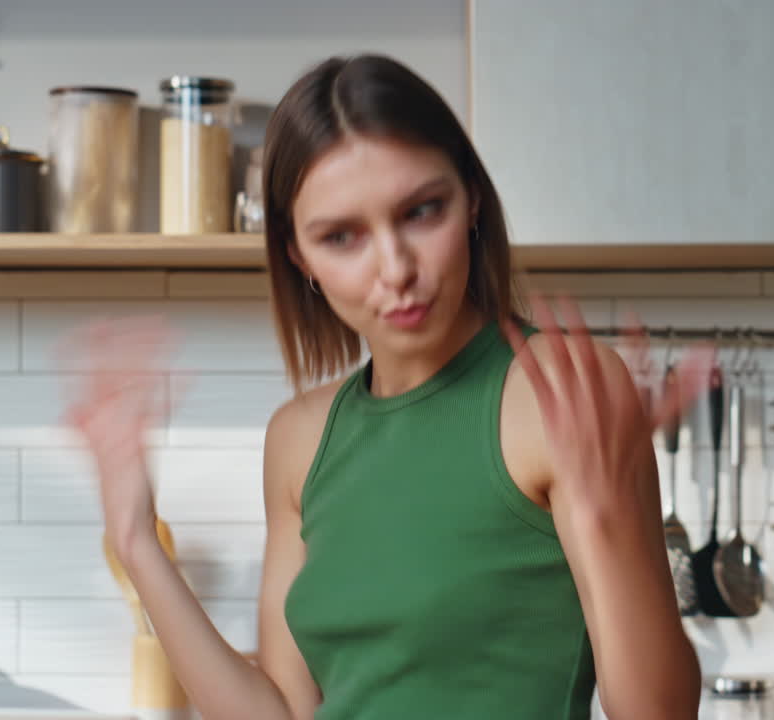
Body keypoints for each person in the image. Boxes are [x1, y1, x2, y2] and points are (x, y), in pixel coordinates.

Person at [64, 54, 710, 720]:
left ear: (472, 197)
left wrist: (605, 511)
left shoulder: (552, 390)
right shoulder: (299, 438)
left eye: (421, 211)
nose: (396, 269)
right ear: (299, 255)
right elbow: (280, 713)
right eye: (342, 237)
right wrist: (136, 538)